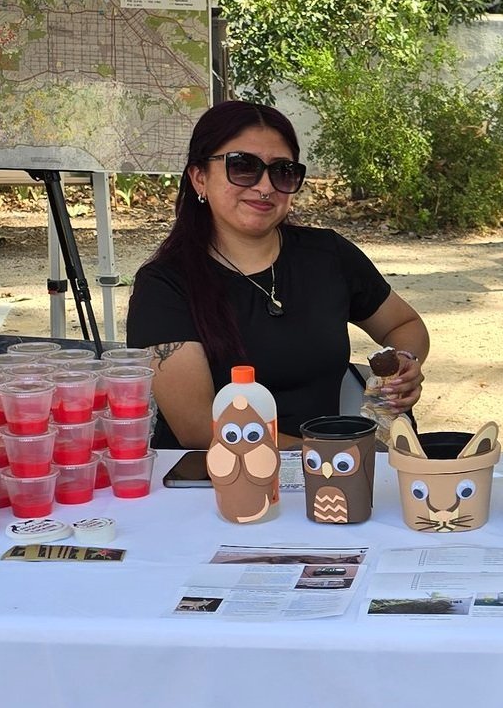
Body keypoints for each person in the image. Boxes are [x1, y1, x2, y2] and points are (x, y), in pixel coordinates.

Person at [128, 101, 429, 449]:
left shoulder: (327, 255)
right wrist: (329, 454)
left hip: (332, 474)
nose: (265, 186)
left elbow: (404, 324)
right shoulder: (164, 285)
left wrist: (404, 362)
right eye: (243, 167)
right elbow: (199, 429)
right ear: (199, 178)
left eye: (282, 171)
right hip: (220, 485)